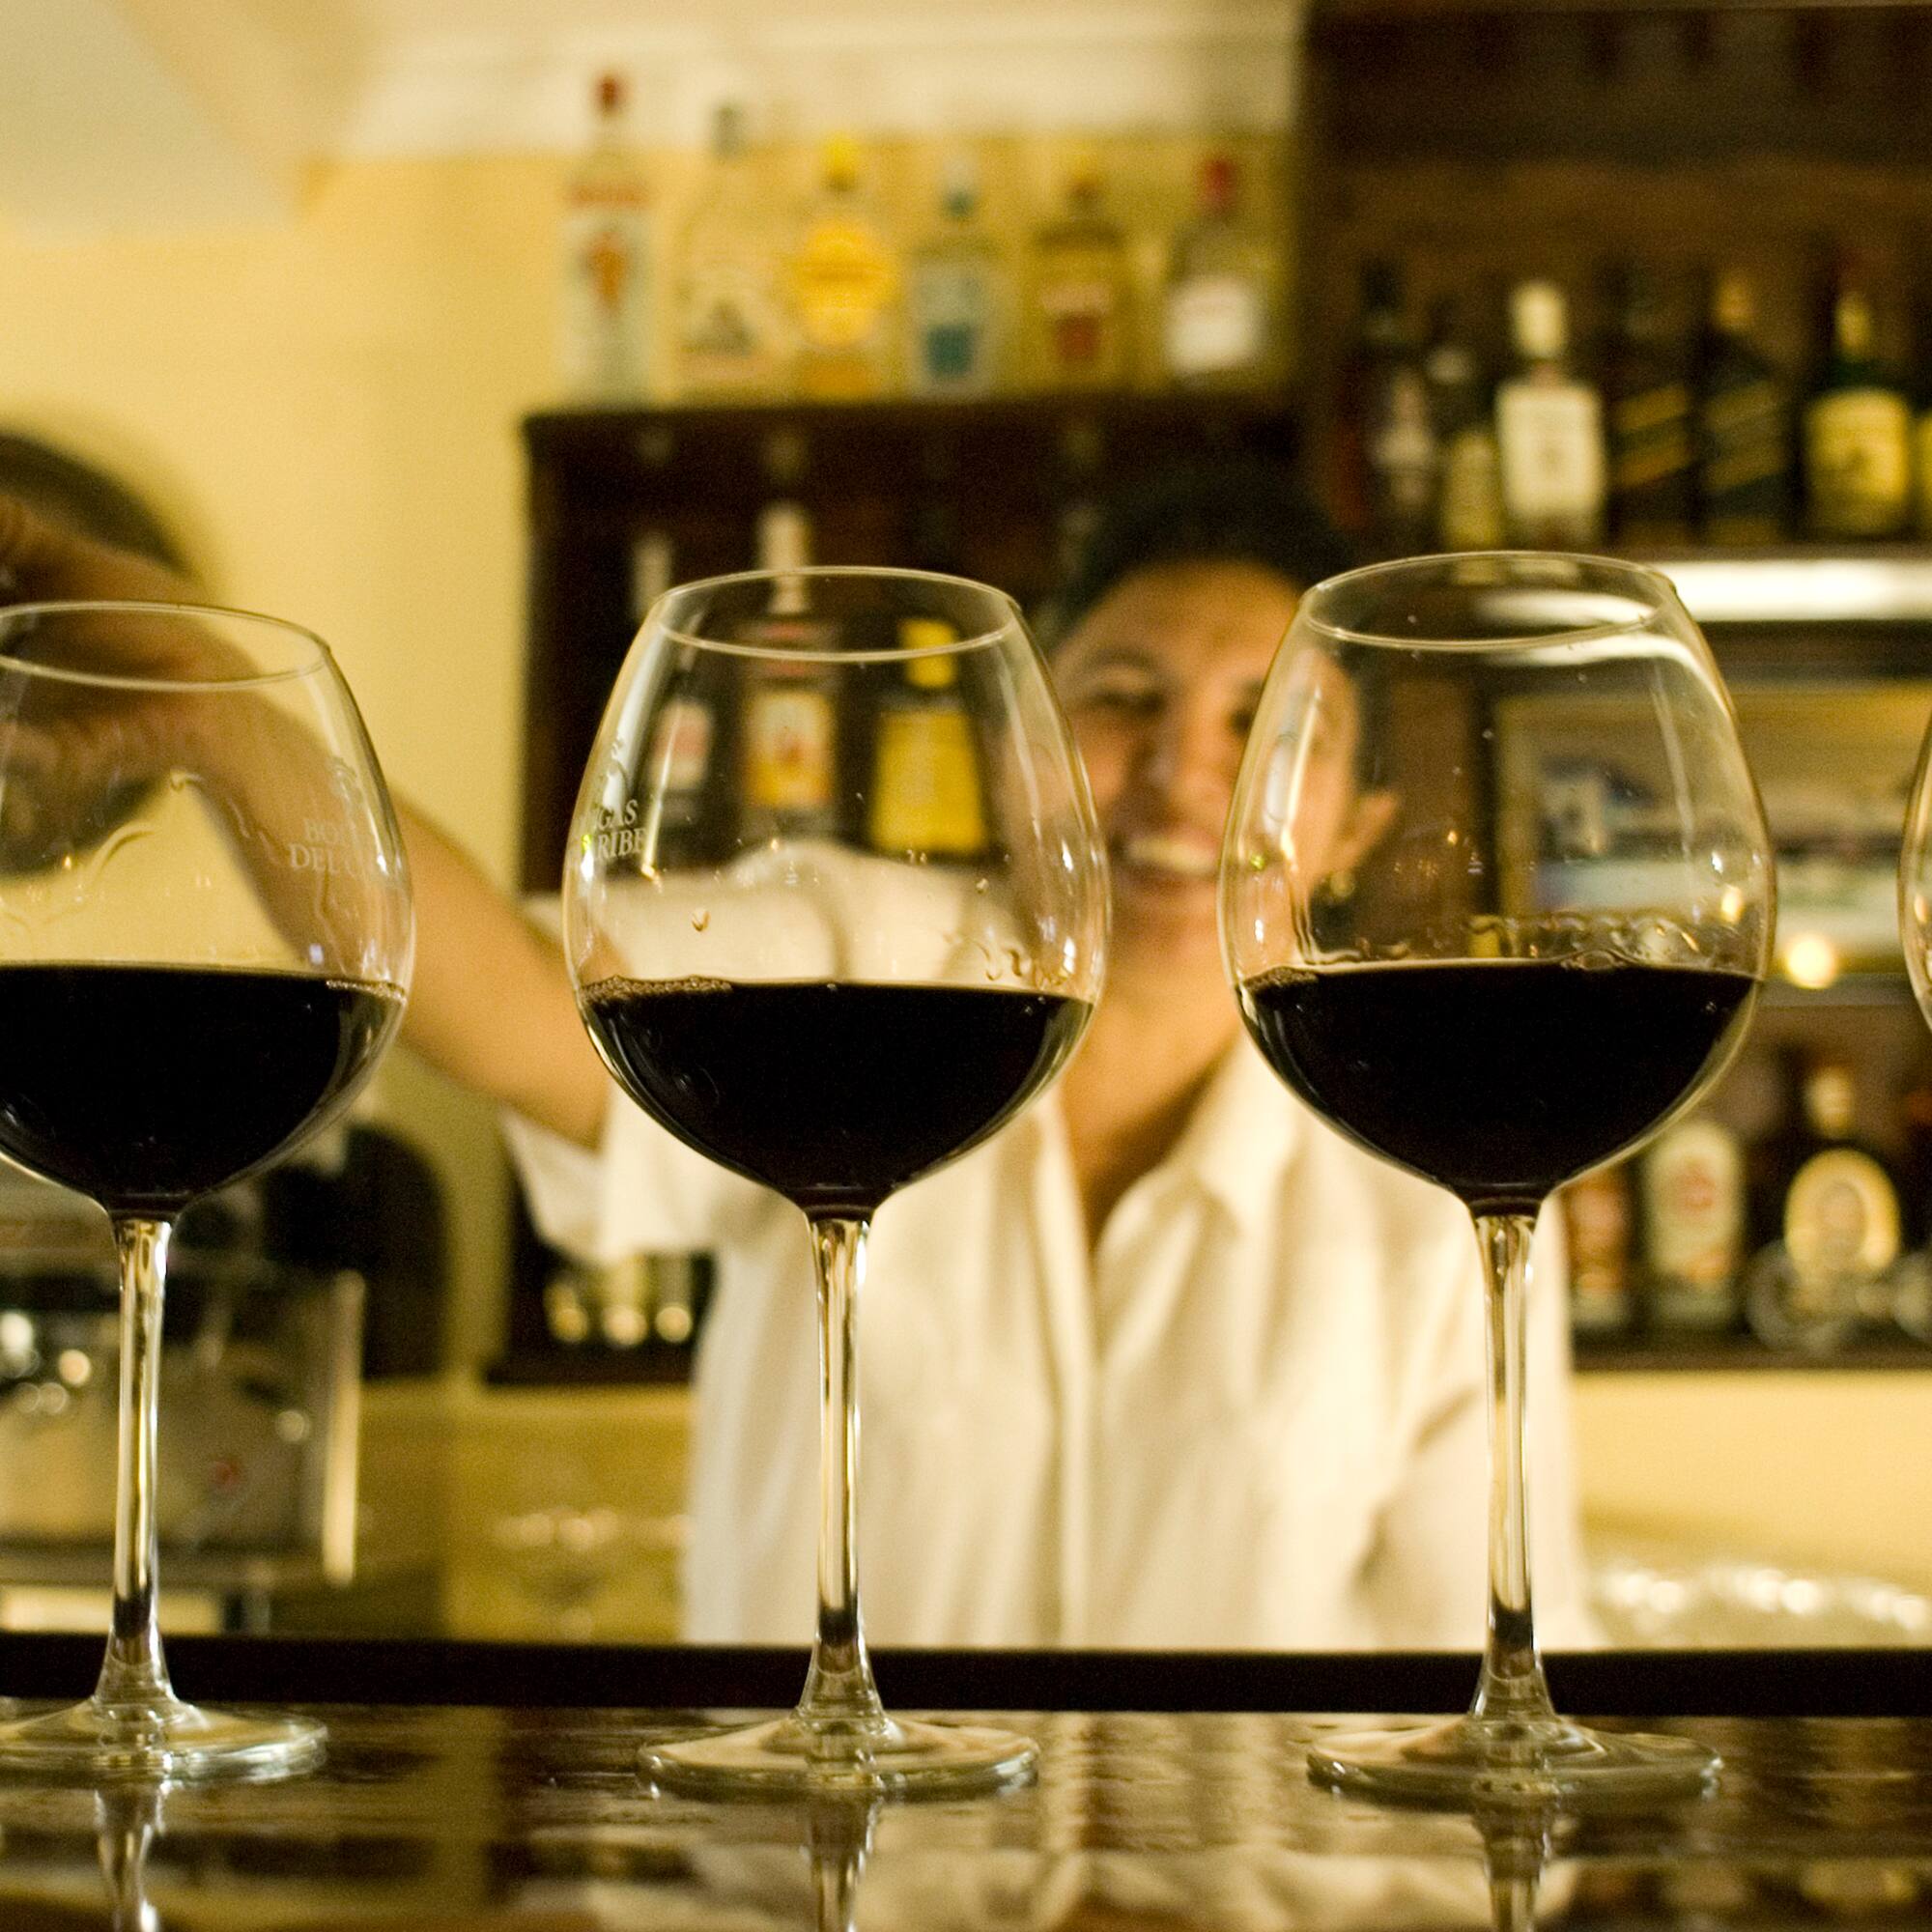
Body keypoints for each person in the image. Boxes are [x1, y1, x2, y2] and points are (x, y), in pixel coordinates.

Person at [0, 476, 1591, 1650]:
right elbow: (484, 983)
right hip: (791, 1885)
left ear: (1357, 817)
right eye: (1121, 699)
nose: (1183, 771)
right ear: (1021, 746)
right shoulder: (851, 971)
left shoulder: (1419, 1166)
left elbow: (1492, 1643)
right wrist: (194, 691)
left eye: (1259, 719)